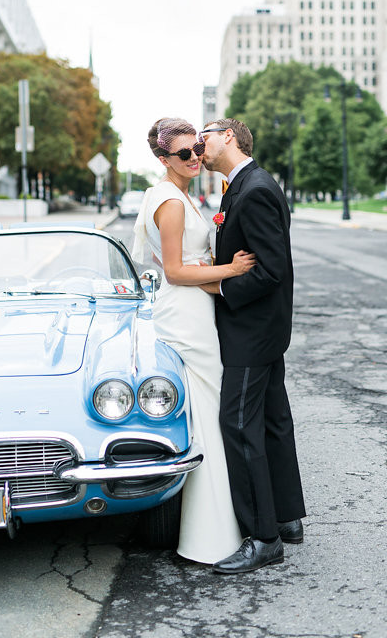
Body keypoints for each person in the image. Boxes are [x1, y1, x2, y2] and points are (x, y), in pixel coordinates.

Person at [132, 117, 255, 565]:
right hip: (186, 313)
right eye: (185, 153)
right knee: (209, 413)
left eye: (197, 149)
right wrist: (231, 271)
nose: (195, 157)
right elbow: (175, 271)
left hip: (193, 308)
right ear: (164, 159)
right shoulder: (170, 201)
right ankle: (213, 533)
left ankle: (222, 521)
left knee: (208, 411)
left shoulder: (176, 194)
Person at [199, 117, 306, 574]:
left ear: (228, 137)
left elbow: (271, 269)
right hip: (262, 329)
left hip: (252, 329)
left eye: (205, 136)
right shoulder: (238, 185)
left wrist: (219, 288)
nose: (198, 146)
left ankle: (263, 538)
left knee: (239, 425)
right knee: (274, 420)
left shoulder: (256, 188)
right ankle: (286, 518)